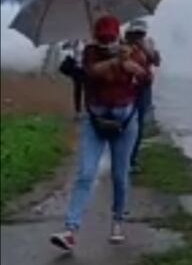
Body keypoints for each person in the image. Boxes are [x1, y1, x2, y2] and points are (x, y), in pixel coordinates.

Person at [50, 15, 146, 253]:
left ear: (117, 36)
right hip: (95, 122)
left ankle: (117, 222)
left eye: (110, 39)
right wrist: (117, 62)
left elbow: (146, 75)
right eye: (102, 40)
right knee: (85, 173)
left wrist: (131, 63)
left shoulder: (131, 50)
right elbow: (93, 72)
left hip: (125, 123)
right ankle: (71, 230)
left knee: (119, 176)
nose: (106, 44)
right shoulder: (90, 52)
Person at [125, 21, 161, 172]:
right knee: (125, 122)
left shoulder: (148, 45)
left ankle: (132, 158)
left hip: (143, 88)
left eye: (141, 34)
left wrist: (146, 48)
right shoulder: (124, 47)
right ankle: (123, 156)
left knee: (139, 123)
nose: (138, 37)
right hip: (126, 89)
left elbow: (157, 61)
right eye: (135, 35)